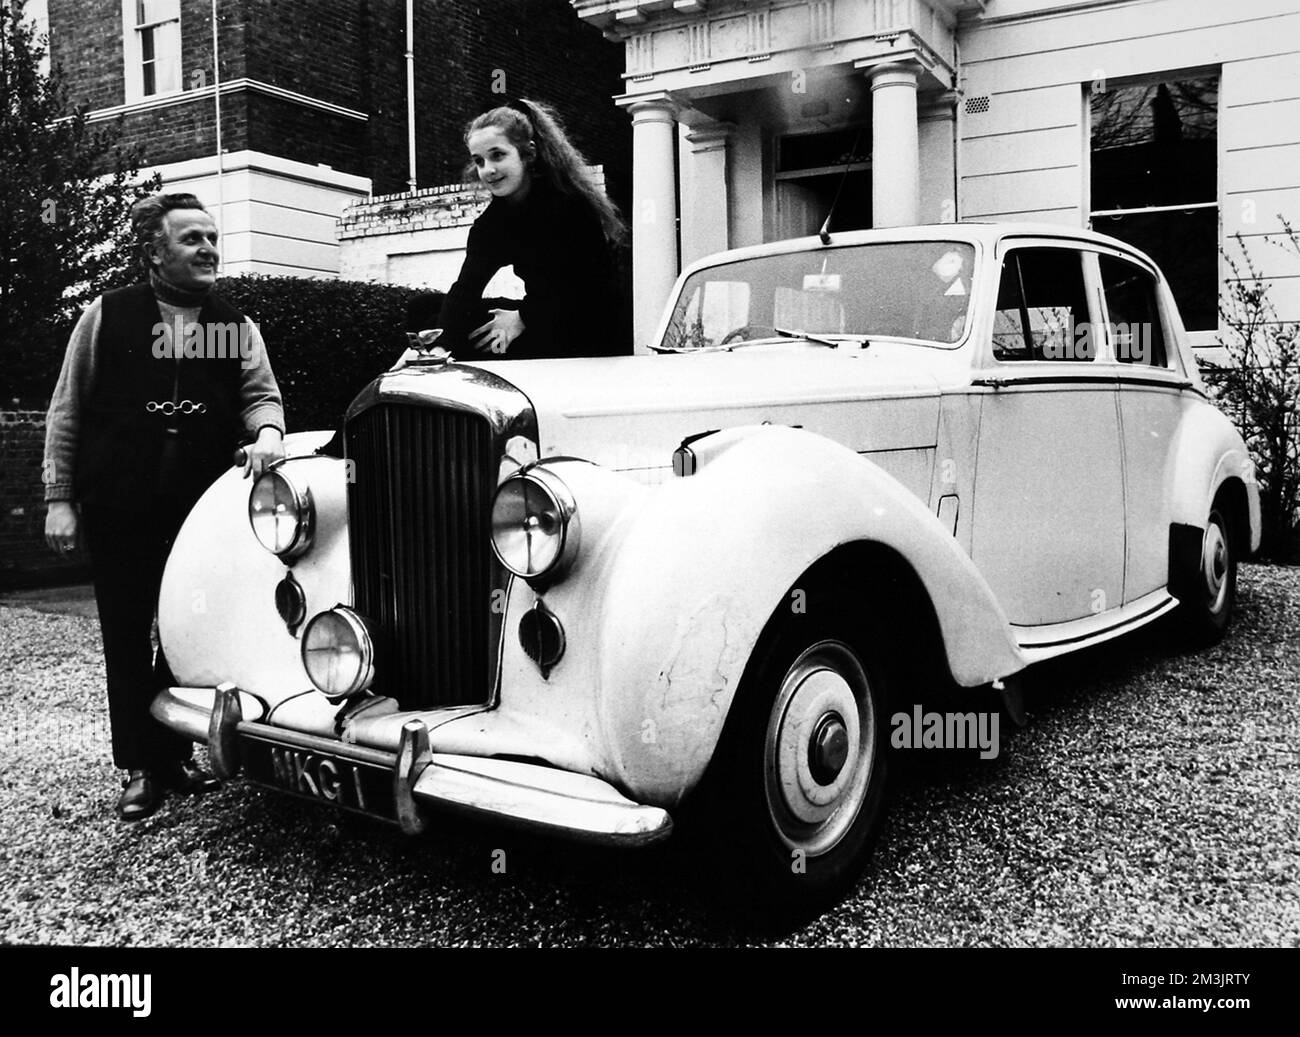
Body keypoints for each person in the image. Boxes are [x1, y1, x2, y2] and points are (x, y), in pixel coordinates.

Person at [42, 192, 286, 821]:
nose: (208, 249)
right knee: (126, 634)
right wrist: (59, 498)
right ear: (154, 251)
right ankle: (141, 767)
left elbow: (262, 398)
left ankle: (176, 753)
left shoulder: (232, 324)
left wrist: (267, 435)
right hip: (119, 502)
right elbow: (68, 408)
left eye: (212, 237)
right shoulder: (109, 315)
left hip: (200, 513)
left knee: (186, 633)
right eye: (191, 239)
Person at [435, 97, 628, 359]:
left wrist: (524, 316)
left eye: (498, 155)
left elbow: (590, 289)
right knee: (427, 310)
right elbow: (466, 289)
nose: (488, 170)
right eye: (479, 161)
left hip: (586, 327)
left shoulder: (569, 205)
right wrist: (438, 345)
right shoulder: (492, 224)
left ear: (528, 154)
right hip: (539, 314)